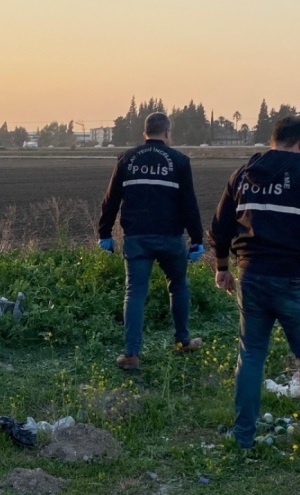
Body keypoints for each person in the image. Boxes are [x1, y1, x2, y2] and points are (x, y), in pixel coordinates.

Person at [209, 117, 300, 465]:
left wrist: (222, 267)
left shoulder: (242, 175)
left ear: (273, 140)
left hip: (252, 277)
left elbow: (219, 226)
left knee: (251, 356)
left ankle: (243, 437)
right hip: (294, 280)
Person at [98, 111, 205, 371]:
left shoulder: (127, 158)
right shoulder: (179, 160)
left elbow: (111, 199)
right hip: (170, 237)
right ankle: (182, 341)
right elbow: (189, 203)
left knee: (134, 293)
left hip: (137, 238)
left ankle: (131, 354)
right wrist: (197, 239)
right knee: (178, 286)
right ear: (167, 133)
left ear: (144, 133)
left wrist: (105, 233)